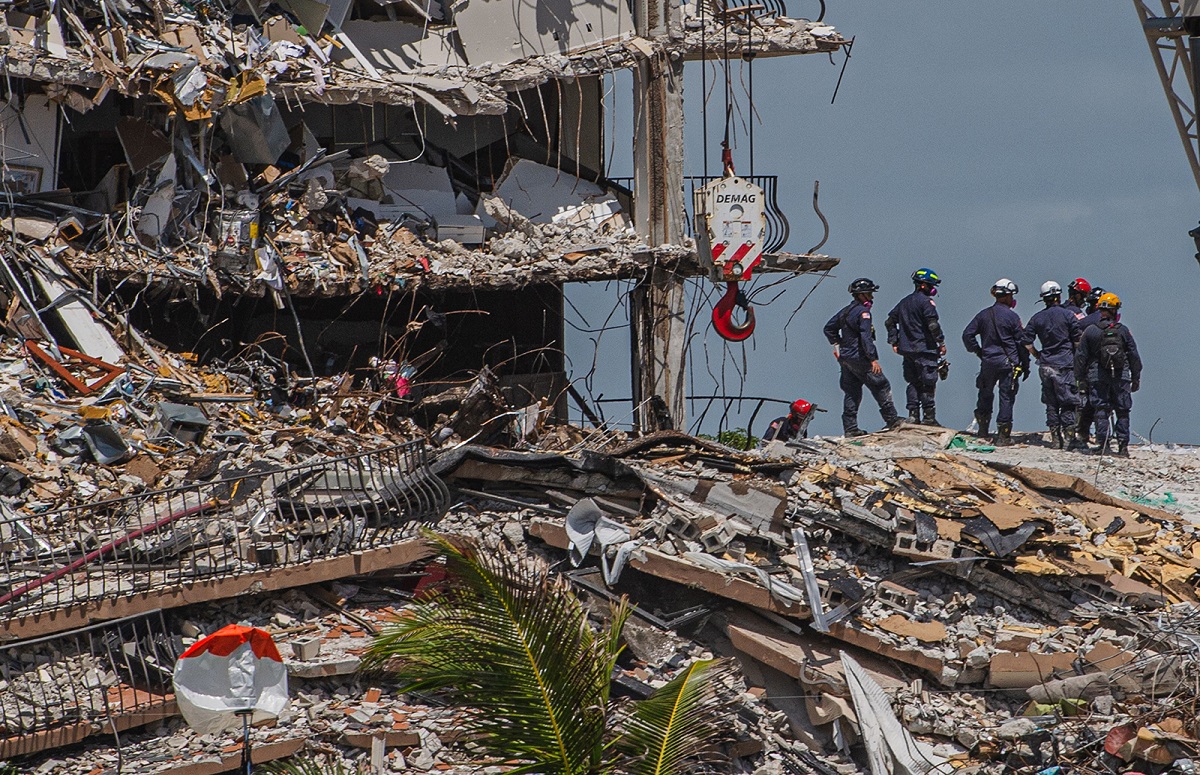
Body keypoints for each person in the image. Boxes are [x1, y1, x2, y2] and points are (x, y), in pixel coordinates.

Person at [823, 278, 902, 437]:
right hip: (860, 358)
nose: (872, 298)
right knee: (881, 385)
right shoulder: (863, 313)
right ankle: (892, 420)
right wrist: (872, 359)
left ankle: (850, 428)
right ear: (861, 295)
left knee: (852, 392)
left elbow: (828, 328)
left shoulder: (845, 311)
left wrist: (839, 344)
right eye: (869, 294)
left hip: (845, 358)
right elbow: (866, 338)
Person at [961, 279, 1029, 446]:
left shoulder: (983, 315)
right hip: (1008, 364)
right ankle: (1003, 437)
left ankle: (983, 431)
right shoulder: (1013, 317)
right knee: (1006, 398)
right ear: (1006, 296)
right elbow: (1022, 343)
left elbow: (967, 335)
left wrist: (978, 351)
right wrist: (1025, 365)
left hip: (988, 363)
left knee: (985, 395)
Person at [1075, 292, 1142, 457]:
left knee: (1101, 410)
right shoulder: (1124, 331)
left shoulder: (1090, 331)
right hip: (1121, 377)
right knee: (1123, 411)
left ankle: (1103, 445)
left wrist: (1080, 378)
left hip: (1097, 376)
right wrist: (1135, 377)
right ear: (1115, 310)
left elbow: (1080, 357)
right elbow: (1134, 356)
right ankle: (1123, 447)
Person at [885, 268, 947, 426]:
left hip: (907, 351)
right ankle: (929, 418)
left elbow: (889, 322)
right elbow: (933, 325)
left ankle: (913, 415)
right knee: (928, 383)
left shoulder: (904, 302)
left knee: (912, 383)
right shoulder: (926, 303)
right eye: (931, 285)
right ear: (923, 285)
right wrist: (940, 342)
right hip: (925, 350)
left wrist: (895, 341)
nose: (934, 289)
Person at [1024, 281, 1081, 449]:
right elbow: (1077, 340)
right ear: (1059, 296)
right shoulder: (1068, 315)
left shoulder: (1037, 318)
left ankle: (1056, 439)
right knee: (1068, 402)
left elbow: (1026, 340)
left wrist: (1037, 354)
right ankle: (1069, 439)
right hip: (1065, 364)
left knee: (1051, 403)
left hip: (1046, 365)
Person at [1074, 285, 1108, 449]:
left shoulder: (1085, 324)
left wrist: (1079, 373)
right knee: (1107, 406)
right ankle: (1106, 440)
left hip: (1091, 370)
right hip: (1111, 371)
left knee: (1088, 403)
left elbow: (1079, 351)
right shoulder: (1116, 326)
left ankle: (1083, 433)